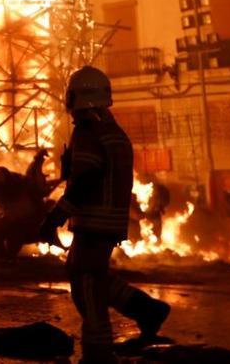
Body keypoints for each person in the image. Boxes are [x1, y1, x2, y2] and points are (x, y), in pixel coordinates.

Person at [38, 66, 171, 364]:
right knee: (88, 275)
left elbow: (87, 180)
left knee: (87, 285)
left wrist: (56, 216)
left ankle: (98, 355)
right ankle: (145, 309)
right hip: (109, 220)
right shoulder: (112, 131)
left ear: (76, 97)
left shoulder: (88, 130)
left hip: (95, 220)